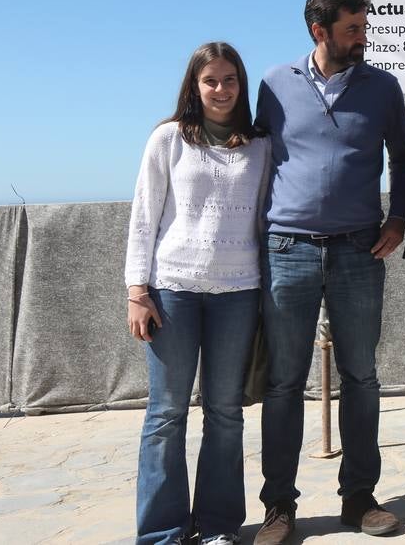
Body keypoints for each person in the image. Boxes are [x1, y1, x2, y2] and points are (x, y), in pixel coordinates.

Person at [253, 0, 405, 543]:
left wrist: (398, 221)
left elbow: (404, 158)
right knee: (282, 383)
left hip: (358, 250)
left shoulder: (382, 87)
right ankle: (279, 506)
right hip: (287, 251)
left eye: (363, 28)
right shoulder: (275, 85)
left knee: (362, 377)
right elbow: (256, 158)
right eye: (353, 29)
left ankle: (360, 498)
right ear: (319, 31)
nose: (362, 38)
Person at [125, 42, 271, 545]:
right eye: (211, 80)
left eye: (230, 79)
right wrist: (136, 290)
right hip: (173, 292)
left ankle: (217, 527)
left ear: (241, 84)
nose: (221, 89)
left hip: (239, 291)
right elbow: (144, 216)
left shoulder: (259, 144)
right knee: (166, 414)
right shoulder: (168, 139)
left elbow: (261, 219)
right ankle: (163, 532)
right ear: (194, 85)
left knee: (226, 414)